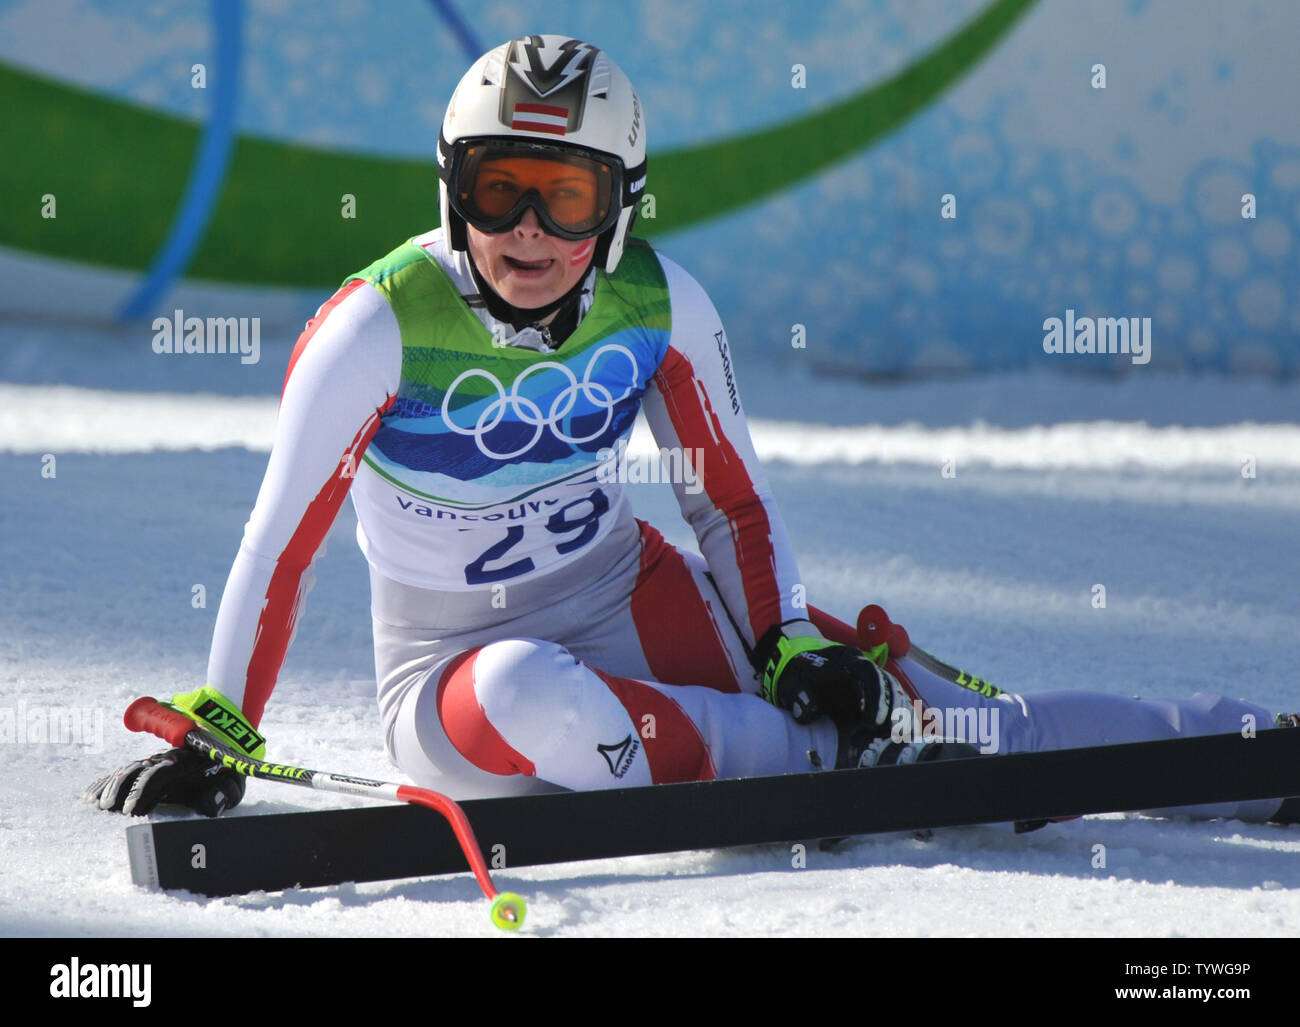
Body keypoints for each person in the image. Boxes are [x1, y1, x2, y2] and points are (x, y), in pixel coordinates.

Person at [85, 34, 1296, 825]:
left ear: (619, 209)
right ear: (450, 187)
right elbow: (278, 546)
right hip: (453, 676)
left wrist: (782, 645)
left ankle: (1251, 751)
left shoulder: (658, 306)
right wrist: (218, 733)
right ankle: (843, 767)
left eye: (566, 197)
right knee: (533, 694)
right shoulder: (373, 327)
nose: (526, 230)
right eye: (498, 187)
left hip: (639, 600)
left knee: (975, 728)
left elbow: (731, 504)